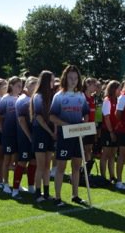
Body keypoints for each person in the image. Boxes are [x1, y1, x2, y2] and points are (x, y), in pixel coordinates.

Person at [49, 65, 89, 206]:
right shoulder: (59, 96)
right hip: (64, 137)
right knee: (61, 167)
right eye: (70, 78)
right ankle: (57, 197)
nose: (73, 80)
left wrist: (84, 126)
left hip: (78, 136)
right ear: (65, 78)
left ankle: (75, 195)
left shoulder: (81, 95)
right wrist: (64, 124)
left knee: (76, 167)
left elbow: (86, 113)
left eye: (76, 78)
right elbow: (52, 116)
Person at [30, 70, 56, 203]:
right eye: (52, 79)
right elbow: (39, 117)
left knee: (47, 165)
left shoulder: (51, 96)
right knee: (40, 165)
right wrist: (50, 132)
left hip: (50, 133)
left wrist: (54, 130)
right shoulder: (38, 96)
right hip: (40, 133)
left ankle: (46, 192)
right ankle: (37, 193)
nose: (54, 82)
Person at [0, 76, 23, 195]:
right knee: (6, 160)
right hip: (8, 135)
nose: (20, 88)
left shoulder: (19, 99)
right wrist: (4, 130)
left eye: (21, 86)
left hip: (18, 134)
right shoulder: (5, 99)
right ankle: (5, 183)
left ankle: (16, 183)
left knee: (17, 160)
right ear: (11, 86)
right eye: (18, 86)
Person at [13, 76, 38, 198]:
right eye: (32, 84)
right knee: (22, 162)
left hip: (33, 137)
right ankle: (15, 190)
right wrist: (29, 137)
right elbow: (22, 121)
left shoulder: (34, 99)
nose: (35, 86)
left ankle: (31, 187)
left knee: (34, 161)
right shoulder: (23, 100)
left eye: (36, 84)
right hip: (24, 137)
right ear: (26, 86)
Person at [100, 80, 120, 184]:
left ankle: (112, 175)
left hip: (115, 130)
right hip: (107, 131)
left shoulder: (117, 101)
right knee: (106, 154)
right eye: (118, 88)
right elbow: (106, 117)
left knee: (113, 154)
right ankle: (103, 176)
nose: (120, 90)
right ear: (113, 89)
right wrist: (111, 131)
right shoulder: (107, 100)